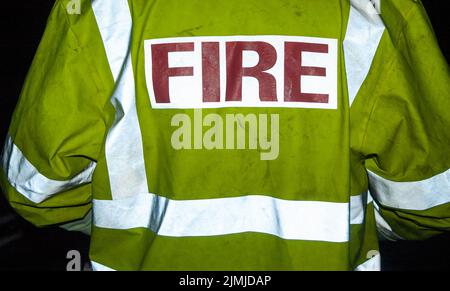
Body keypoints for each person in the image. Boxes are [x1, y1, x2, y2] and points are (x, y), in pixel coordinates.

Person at [1, 0, 449, 271]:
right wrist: (356, 219)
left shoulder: (102, 6)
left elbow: (35, 185)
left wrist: (114, 216)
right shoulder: (374, 7)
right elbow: (432, 199)